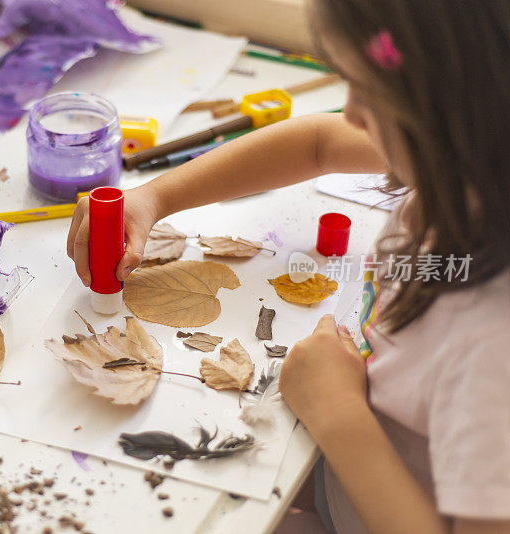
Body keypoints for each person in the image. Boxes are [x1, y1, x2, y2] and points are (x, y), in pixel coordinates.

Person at [66, 0, 510, 532]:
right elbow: (318, 141)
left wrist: (338, 413)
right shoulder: (469, 167)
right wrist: (154, 198)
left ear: (453, 109)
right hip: (331, 477)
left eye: (370, 96)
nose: (351, 116)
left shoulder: (492, 346)